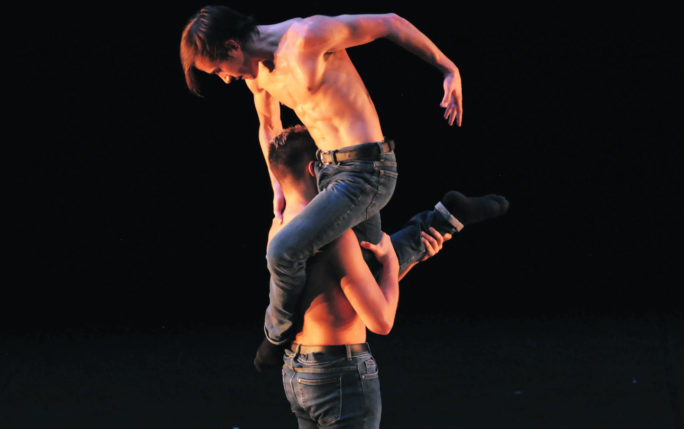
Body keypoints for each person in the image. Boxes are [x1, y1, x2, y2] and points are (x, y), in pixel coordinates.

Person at [180, 6, 509, 355]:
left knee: (282, 251)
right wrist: (277, 186)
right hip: (326, 171)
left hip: (366, 171)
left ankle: (275, 336)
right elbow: (268, 128)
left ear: (233, 47)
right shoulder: (257, 76)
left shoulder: (307, 37)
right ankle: (446, 218)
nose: (225, 79)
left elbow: (389, 23)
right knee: (363, 272)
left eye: (219, 70)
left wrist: (449, 68)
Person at [265, 125, 450, 429]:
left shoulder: (279, 231)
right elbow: (381, 321)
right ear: (315, 168)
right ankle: (443, 220)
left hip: (298, 373)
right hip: (340, 375)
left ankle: (442, 222)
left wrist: (405, 263)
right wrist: (391, 264)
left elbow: (340, 298)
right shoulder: (337, 236)